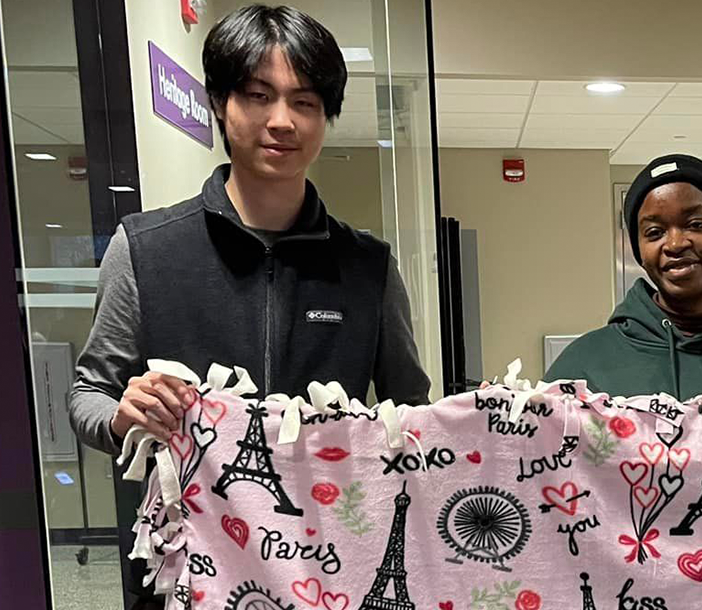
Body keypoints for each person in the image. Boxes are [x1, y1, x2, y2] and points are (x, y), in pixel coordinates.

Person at [68, 6, 429, 608]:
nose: (282, 121)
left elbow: (409, 411)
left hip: (331, 570)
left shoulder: (368, 267)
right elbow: (88, 393)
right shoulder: (146, 249)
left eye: (306, 102)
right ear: (219, 102)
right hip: (183, 570)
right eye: (259, 96)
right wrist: (124, 416)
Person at [544, 154, 702, 399]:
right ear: (639, 253)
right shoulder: (583, 366)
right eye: (655, 232)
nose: (675, 244)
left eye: (695, 225)